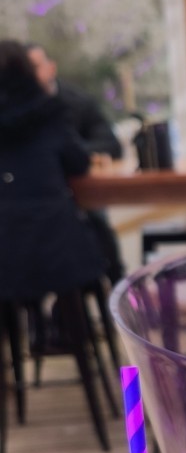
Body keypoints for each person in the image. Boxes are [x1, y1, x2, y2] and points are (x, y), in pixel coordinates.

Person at [0, 39, 105, 306]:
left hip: (7, 256)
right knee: (98, 232)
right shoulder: (49, 113)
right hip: (57, 250)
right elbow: (78, 164)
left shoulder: (70, 104)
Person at [27, 42, 125, 282]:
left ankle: (112, 280)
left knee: (93, 221)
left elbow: (111, 145)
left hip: (77, 199)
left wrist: (63, 154)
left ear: (51, 68)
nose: (30, 75)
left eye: (35, 67)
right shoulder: (16, 110)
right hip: (33, 208)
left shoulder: (76, 102)